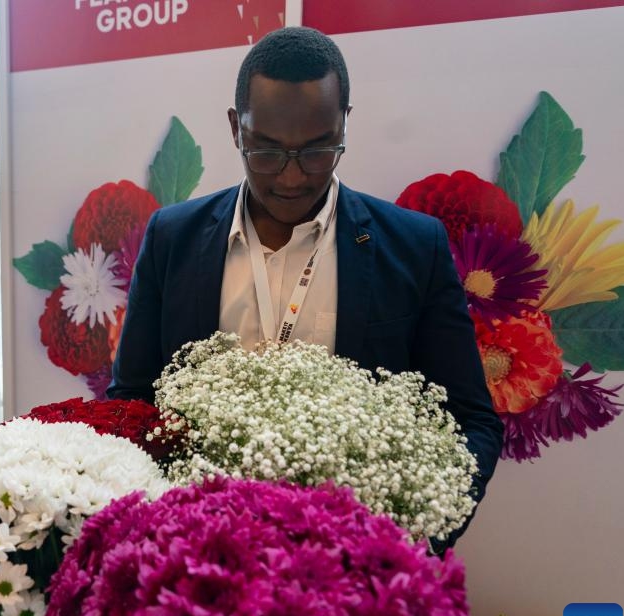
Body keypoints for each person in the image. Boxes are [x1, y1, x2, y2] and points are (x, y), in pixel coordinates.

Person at [107, 26, 502, 544]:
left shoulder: (414, 246)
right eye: (266, 151)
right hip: (198, 561)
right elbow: (131, 402)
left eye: (317, 151)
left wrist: (413, 543)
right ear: (235, 129)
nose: (291, 178)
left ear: (344, 125)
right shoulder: (172, 239)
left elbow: (473, 422)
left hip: (353, 576)